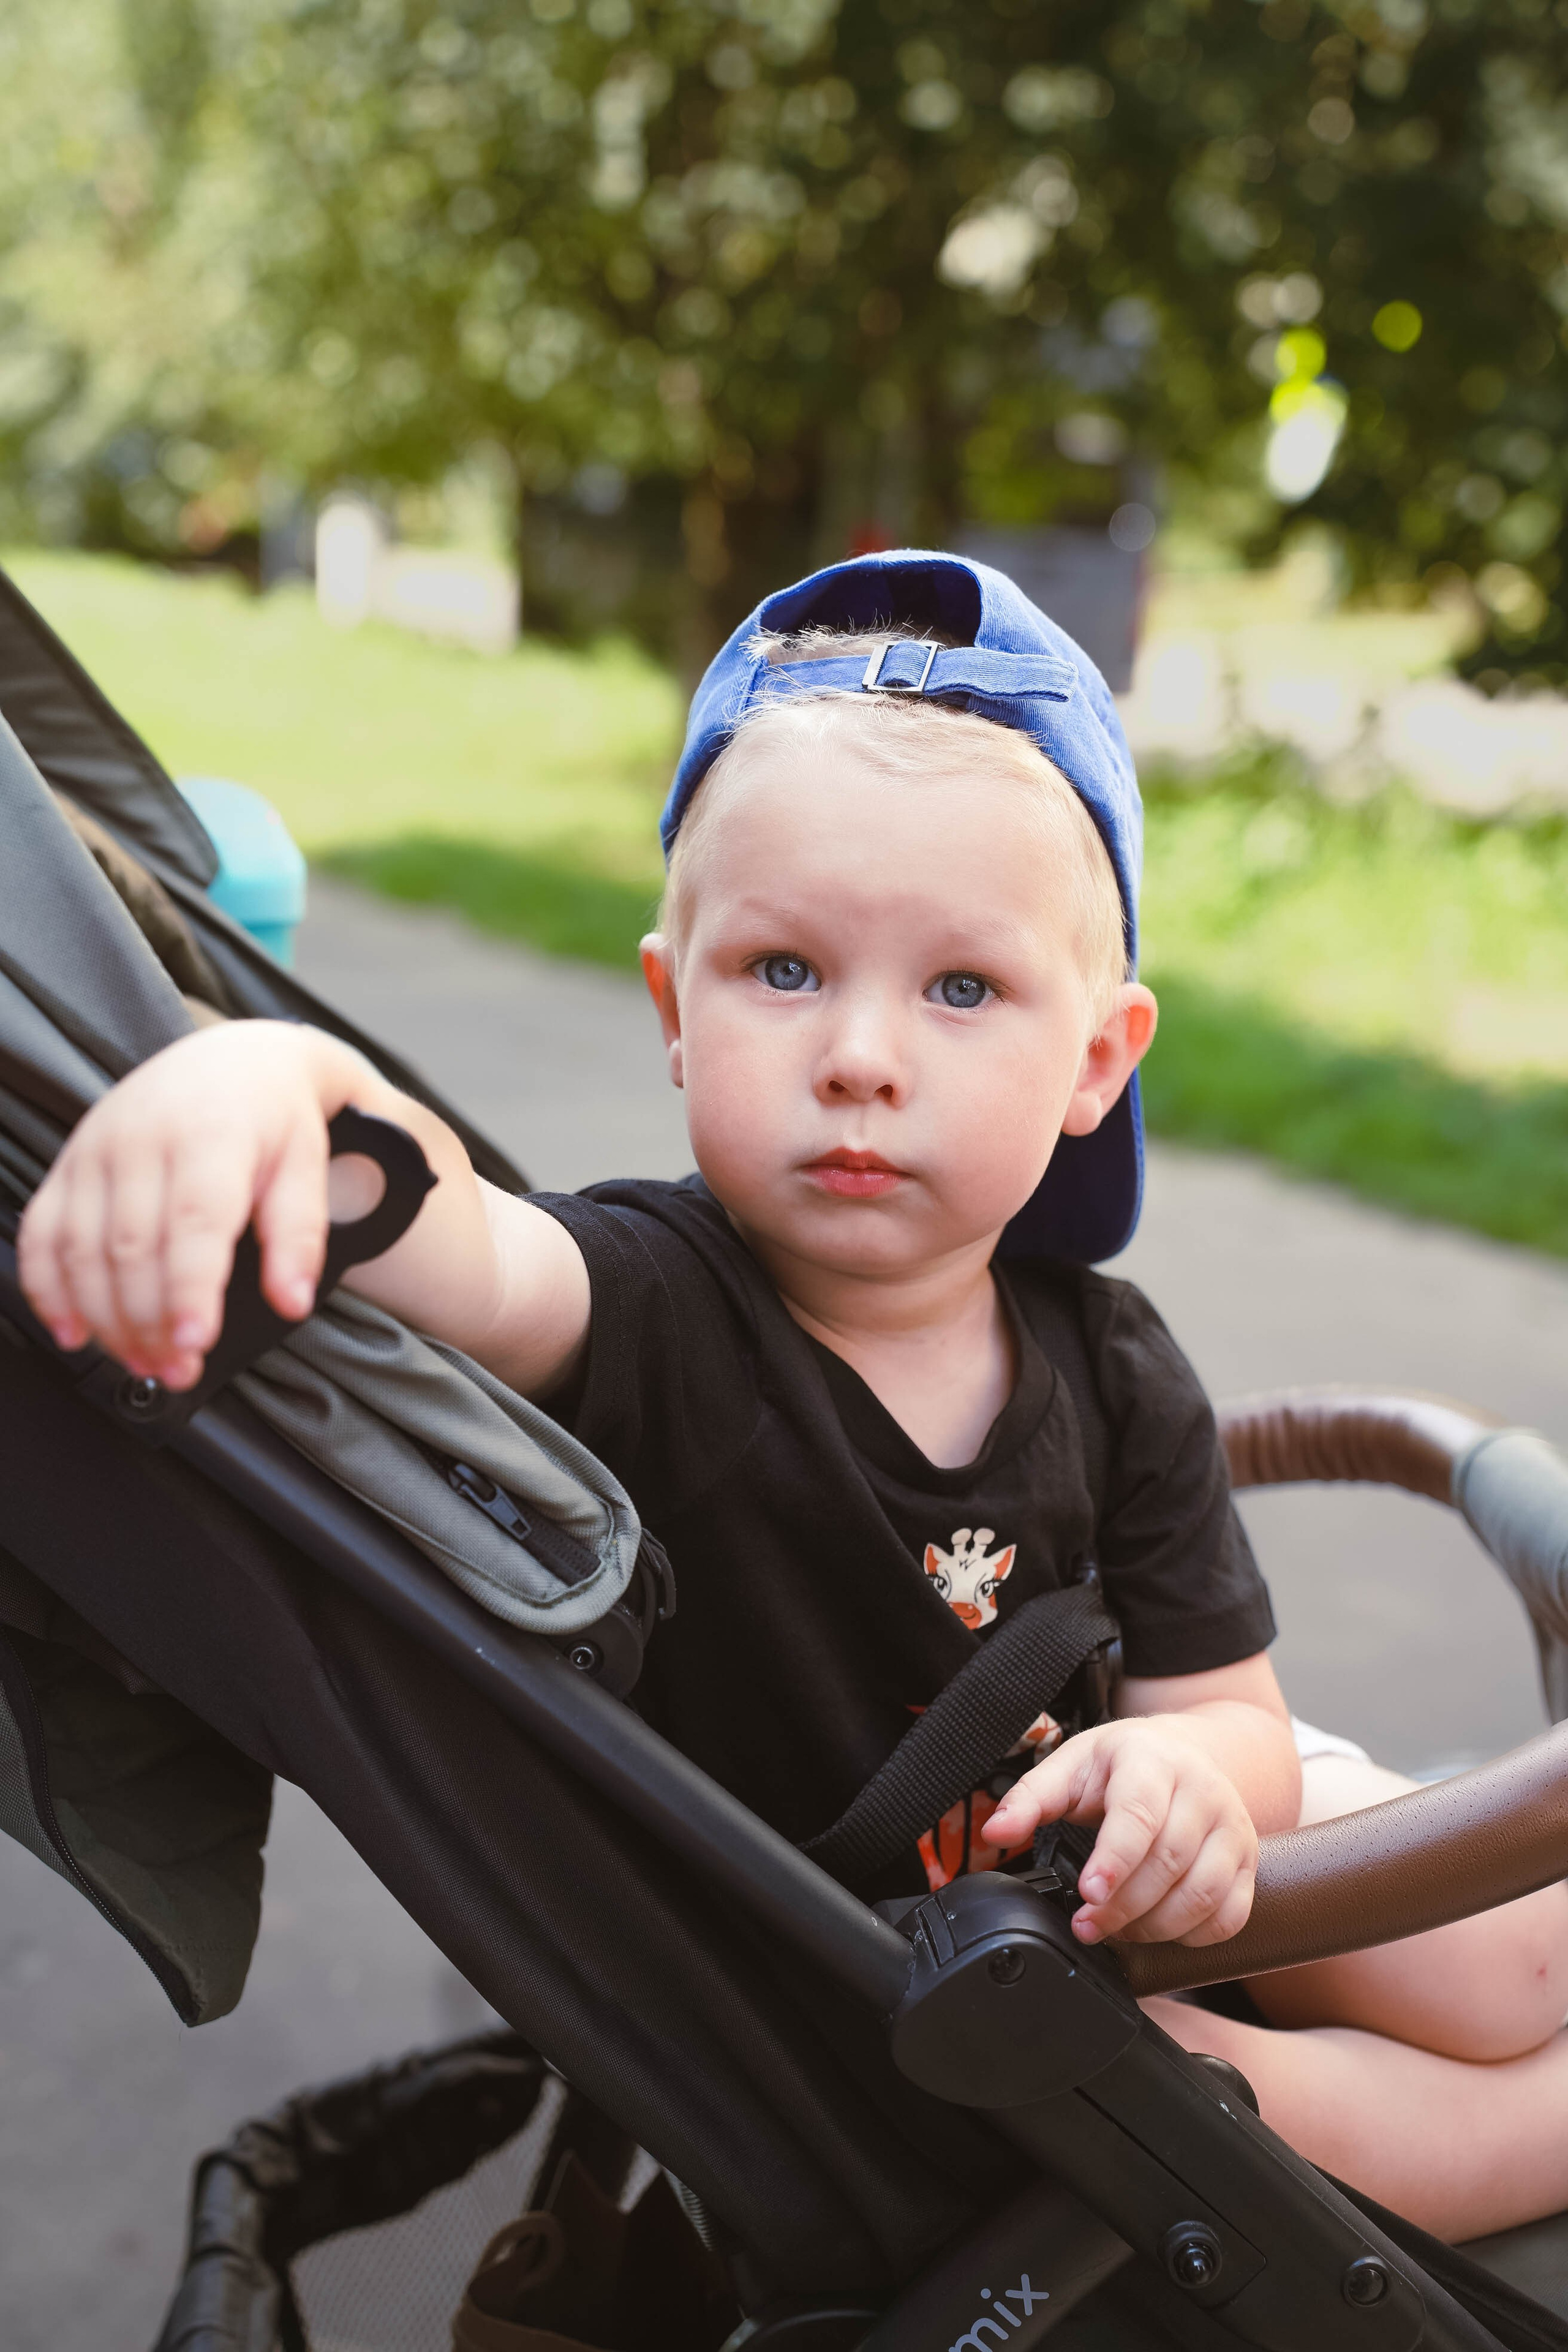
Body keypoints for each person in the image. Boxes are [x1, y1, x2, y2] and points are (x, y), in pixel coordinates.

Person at [17, 551, 1568, 2241]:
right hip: (986, 1996)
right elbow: (448, 1238)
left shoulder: (1114, 1362)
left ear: (1098, 1063)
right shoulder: (649, 1308)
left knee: (1520, 1952)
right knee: (1310, 2113)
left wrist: (1200, 1774)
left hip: (1160, 1860)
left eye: (962, 989)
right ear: (676, 1010)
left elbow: (1232, 1710)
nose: (861, 1053)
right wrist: (271, 1078)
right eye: (782, 972)